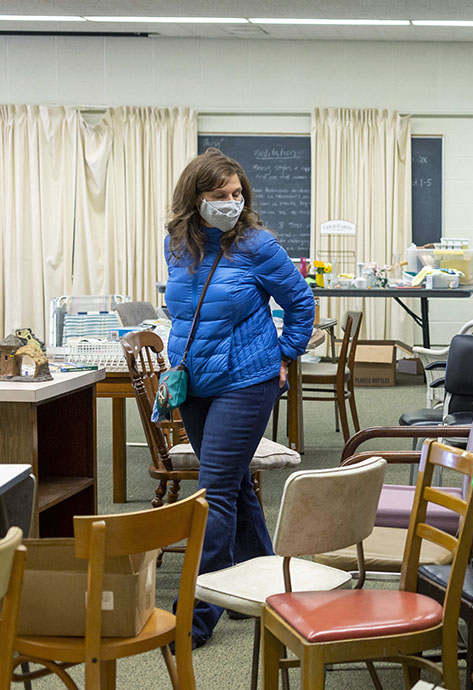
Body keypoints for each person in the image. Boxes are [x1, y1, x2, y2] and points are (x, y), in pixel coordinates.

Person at [163, 147, 314, 647]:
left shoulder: (258, 245)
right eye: (219, 195)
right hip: (196, 383)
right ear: (195, 199)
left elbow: (301, 303)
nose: (231, 201)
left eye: (236, 193)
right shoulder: (177, 244)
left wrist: (284, 357)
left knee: (214, 494)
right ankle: (260, 586)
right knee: (234, 486)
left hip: (246, 382)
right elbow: (185, 311)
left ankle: (192, 620)